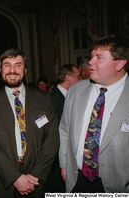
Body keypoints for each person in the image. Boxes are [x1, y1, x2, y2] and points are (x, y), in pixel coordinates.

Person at [0, 48, 59, 197]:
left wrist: (36, 174)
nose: (12, 70)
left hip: (38, 179)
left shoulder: (44, 99)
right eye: (7, 65)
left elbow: (52, 139)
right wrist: (15, 177)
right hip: (5, 178)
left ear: (25, 69)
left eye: (18, 64)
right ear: (1, 70)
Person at [59, 33, 129, 193]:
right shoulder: (76, 90)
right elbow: (64, 131)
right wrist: (64, 165)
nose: (90, 62)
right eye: (92, 57)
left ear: (120, 64)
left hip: (117, 187)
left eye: (99, 57)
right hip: (76, 180)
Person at [45, 64, 81, 193]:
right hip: (57, 154)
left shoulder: (72, 95)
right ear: (68, 78)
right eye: (78, 76)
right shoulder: (52, 99)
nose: (81, 80)